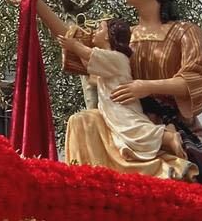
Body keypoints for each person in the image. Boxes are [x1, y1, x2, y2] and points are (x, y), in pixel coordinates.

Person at [28, 0, 202, 184]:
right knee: (82, 121)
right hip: (123, 115)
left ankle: (165, 156)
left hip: (166, 120)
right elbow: (75, 44)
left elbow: (198, 78)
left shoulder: (185, 32)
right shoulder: (125, 38)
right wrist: (35, 3)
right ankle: (88, 183)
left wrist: (145, 87)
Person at [57, 18, 185, 162]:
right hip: (112, 108)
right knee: (126, 134)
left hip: (122, 107)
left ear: (107, 36)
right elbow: (89, 66)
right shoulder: (105, 59)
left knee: (134, 130)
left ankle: (169, 137)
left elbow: (89, 55)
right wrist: (75, 45)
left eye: (99, 29)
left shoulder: (117, 58)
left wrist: (74, 46)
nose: (94, 32)